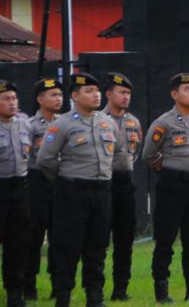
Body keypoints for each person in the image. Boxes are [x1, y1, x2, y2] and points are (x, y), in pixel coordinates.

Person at [37, 73, 125, 307]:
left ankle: (95, 297)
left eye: (97, 90)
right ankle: (63, 296)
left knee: (97, 246)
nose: (95, 95)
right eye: (89, 91)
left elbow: (118, 152)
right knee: (68, 246)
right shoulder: (62, 124)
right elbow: (45, 159)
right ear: (75, 96)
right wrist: (65, 180)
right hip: (73, 191)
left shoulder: (107, 122)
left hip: (102, 191)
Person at [141, 73, 189, 302]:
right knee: (165, 241)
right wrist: (167, 170)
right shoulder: (164, 122)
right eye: (187, 89)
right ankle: (161, 292)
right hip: (172, 186)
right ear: (174, 94)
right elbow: (148, 154)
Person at [102, 72, 144, 301]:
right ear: (109, 94)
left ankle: (121, 289)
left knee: (124, 240)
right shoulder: (98, 120)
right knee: (99, 240)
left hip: (126, 183)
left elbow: (135, 152)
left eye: (128, 93)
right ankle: (95, 289)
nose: (126, 97)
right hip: (103, 183)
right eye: (121, 92)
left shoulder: (133, 122)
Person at [24, 77, 63, 301]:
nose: (59, 99)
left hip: (60, 182)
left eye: (60, 95)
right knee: (34, 235)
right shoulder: (31, 125)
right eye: (53, 95)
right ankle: (28, 286)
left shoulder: (65, 123)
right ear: (40, 99)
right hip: (37, 183)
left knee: (60, 236)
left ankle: (59, 285)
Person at [0, 79, 31, 307]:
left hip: (20, 189)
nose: (12, 103)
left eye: (14, 98)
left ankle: (14, 294)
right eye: (6, 99)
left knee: (17, 244)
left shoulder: (24, 123)